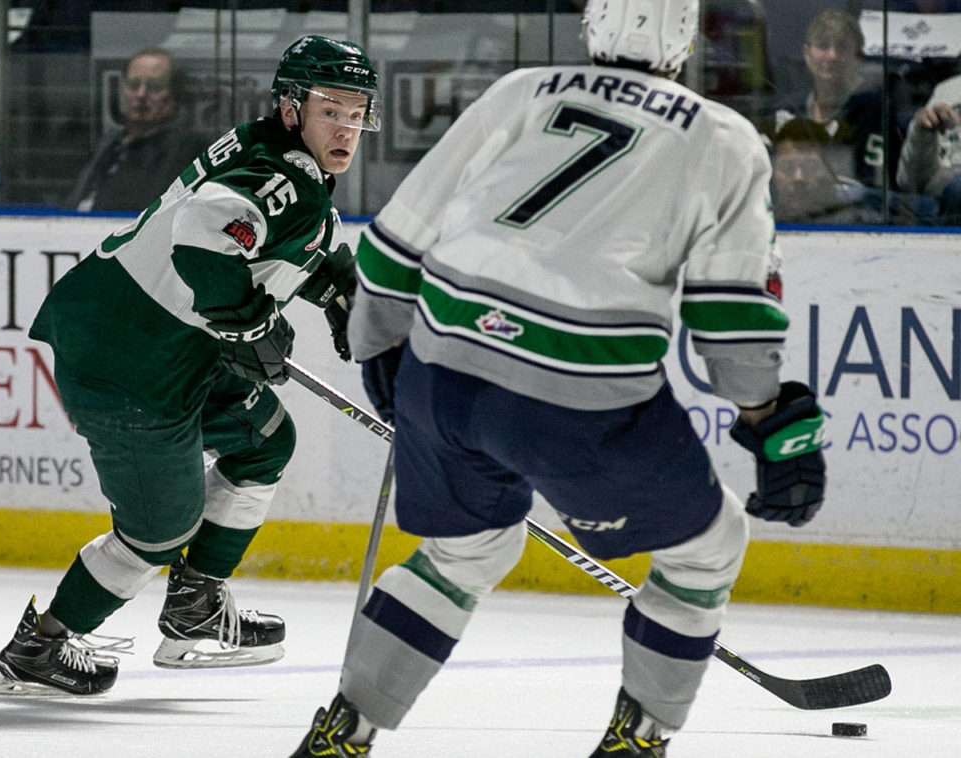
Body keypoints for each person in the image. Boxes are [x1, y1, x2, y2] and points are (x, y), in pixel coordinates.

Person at [290, 1, 826, 756]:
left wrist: (381, 347)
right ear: (686, 37)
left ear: (593, 24)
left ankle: (349, 727)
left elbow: (391, 245)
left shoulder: (523, 91)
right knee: (708, 547)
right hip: (578, 399)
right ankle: (640, 738)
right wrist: (770, 419)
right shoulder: (722, 137)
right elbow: (730, 321)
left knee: (463, 554)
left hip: (443, 372)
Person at [0, 34, 381, 697]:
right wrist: (247, 322)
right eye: (330, 109)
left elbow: (264, 243)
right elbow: (203, 234)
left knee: (264, 440)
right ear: (291, 107)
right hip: (131, 362)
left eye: (356, 111)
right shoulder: (284, 178)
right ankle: (40, 648)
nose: (346, 128)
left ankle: (195, 607)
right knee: (159, 530)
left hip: (149, 341)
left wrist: (333, 285)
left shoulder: (271, 155)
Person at [766, 8, 902, 191]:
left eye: (842, 47)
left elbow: (873, 188)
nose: (832, 56)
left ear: (858, 57)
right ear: (807, 54)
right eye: (823, 46)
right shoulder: (787, 109)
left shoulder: (874, 110)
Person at [67, 47, 212, 212]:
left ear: (175, 94)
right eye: (134, 85)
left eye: (155, 87)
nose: (141, 94)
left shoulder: (189, 149)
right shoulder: (109, 143)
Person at [773, 117, 939, 225]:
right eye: (787, 168)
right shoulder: (758, 215)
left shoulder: (866, 217)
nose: (798, 177)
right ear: (773, 172)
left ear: (830, 171)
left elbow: (931, 212)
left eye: (810, 167)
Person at [896, 72, 961, 226]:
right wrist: (922, 132)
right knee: (872, 200)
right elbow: (911, 183)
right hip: (940, 213)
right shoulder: (948, 91)